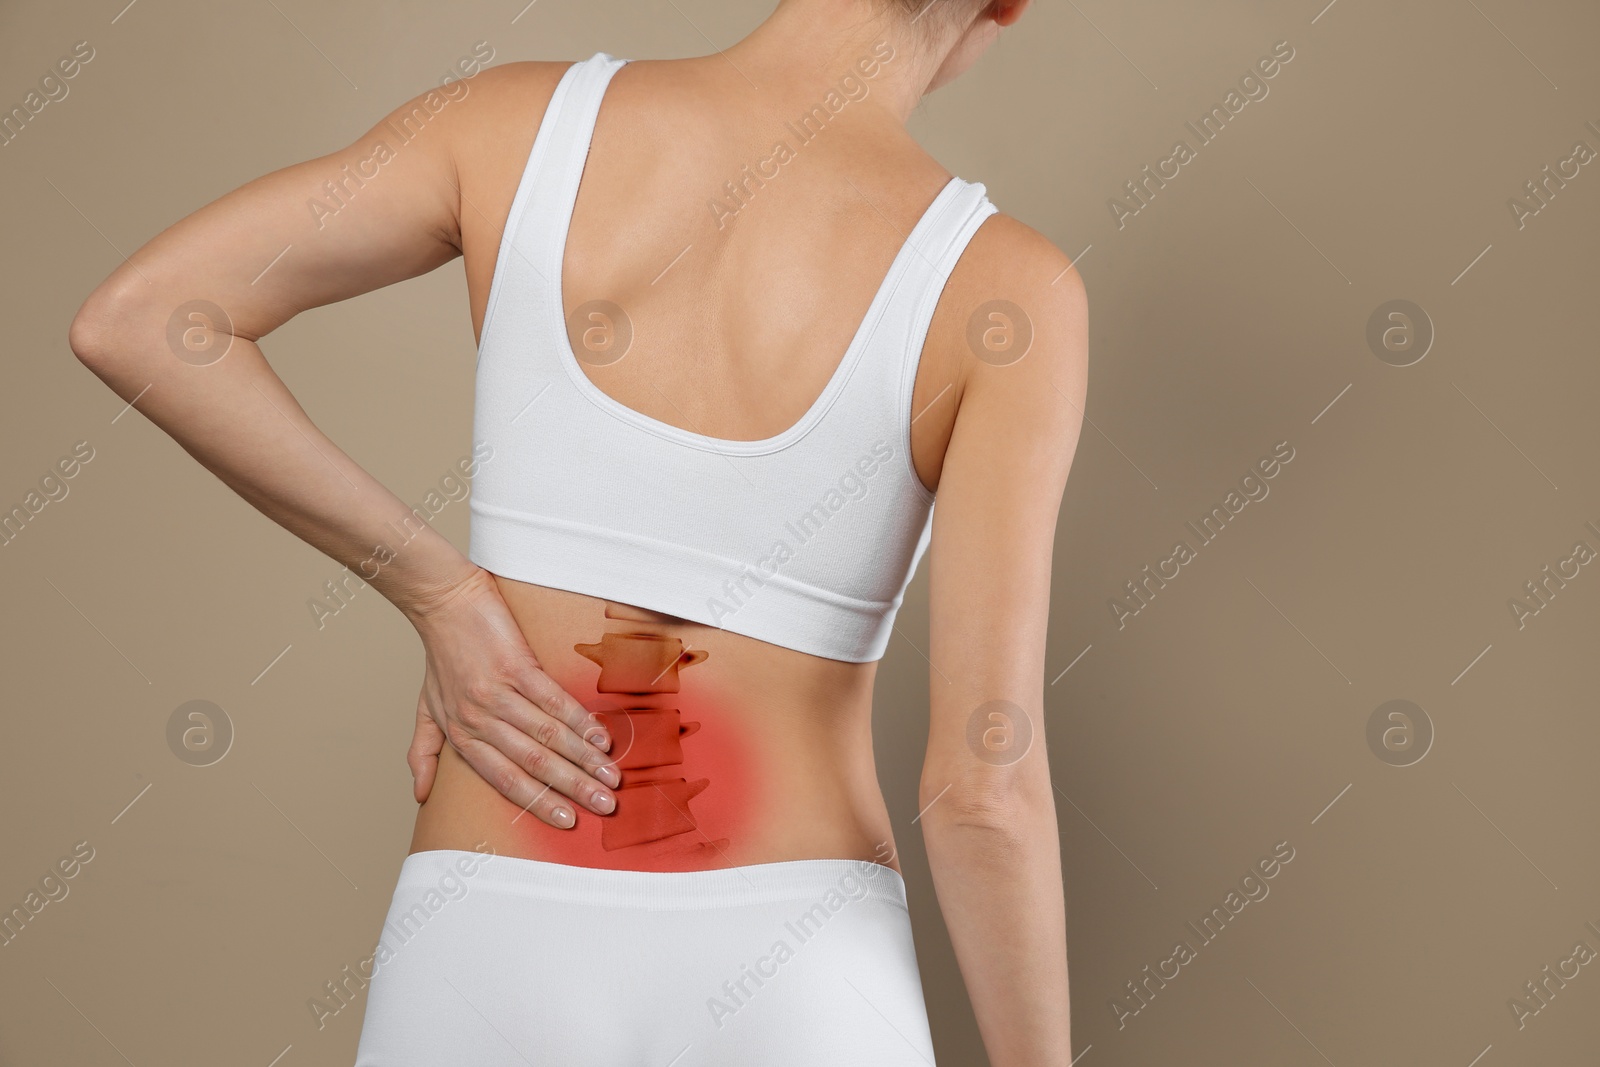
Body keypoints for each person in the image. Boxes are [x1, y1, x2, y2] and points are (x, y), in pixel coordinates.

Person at [68, 0, 1086, 1062]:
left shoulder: (509, 127)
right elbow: (983, 791)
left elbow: (142, 317)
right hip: (802, 962)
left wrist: (441, 591)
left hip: (486, 941)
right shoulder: (1006, 291)